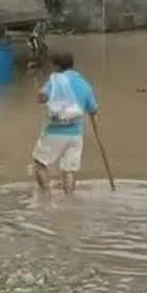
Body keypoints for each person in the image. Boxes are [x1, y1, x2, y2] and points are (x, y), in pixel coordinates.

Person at [33, 51, 99, 198]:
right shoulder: (84, 84)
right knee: (69, 170)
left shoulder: (55, 81)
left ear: (55, 66)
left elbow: (41, 98)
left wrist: (42, 93)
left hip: (54, 132)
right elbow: (93, 109)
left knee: (40, 164)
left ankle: (46, 196)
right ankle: (69, 199)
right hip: (76, 135)